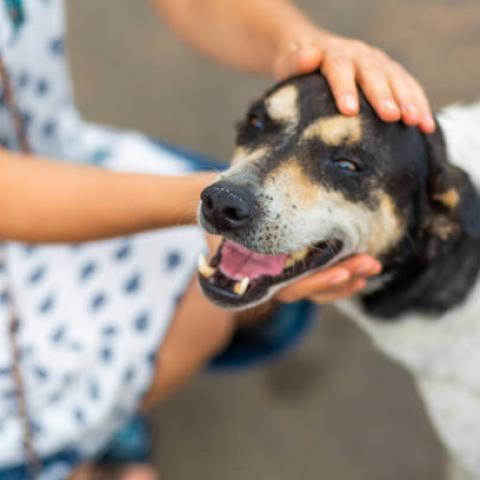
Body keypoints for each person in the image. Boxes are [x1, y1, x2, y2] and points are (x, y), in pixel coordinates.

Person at [0, 1, 434, 479]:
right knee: (218, 298)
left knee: (240, 291)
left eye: (346, 164)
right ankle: (67, 451)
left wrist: (300, 42)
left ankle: (103, 415)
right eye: (259, 125)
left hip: (55, 152)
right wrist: (202, 201)